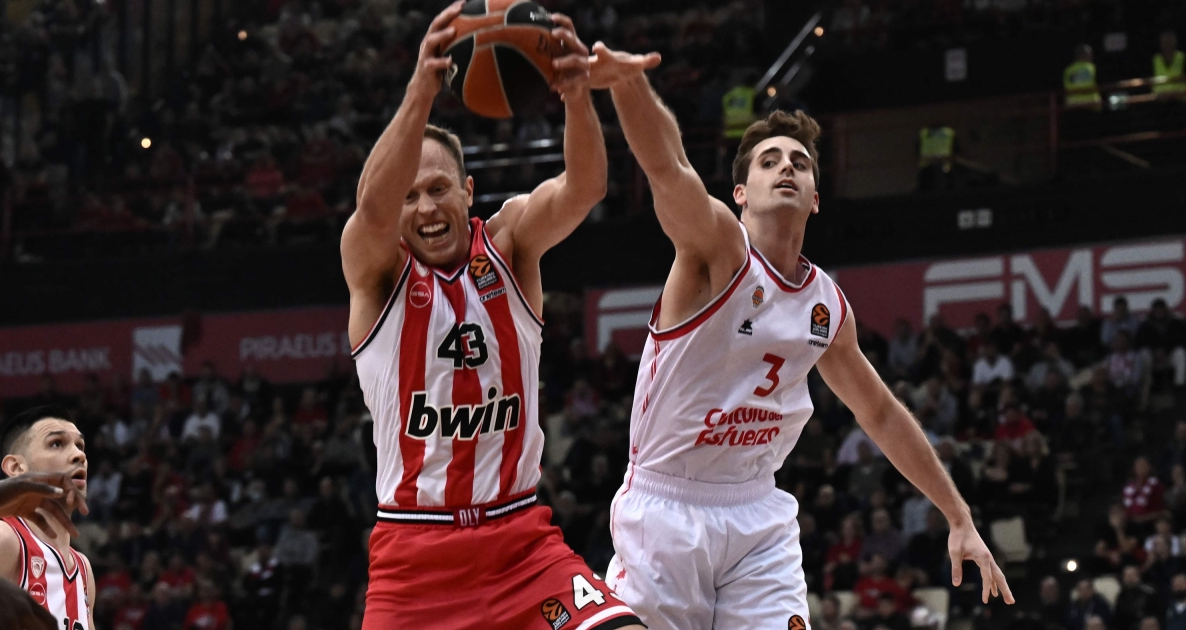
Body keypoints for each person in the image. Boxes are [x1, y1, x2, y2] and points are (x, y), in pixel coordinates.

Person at [589, 43, 1012, 630]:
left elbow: (880, 413)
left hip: (757, 512)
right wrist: (628, 84)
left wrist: (958, 515)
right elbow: (667, 167)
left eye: (799, 162)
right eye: (768, 162)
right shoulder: (717, 250)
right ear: (740, 194)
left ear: (815, 198)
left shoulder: (826, 307)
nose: (786, 167)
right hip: (668, 509)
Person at [339, 4, 640, 629]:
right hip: (415, 561)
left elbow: (585, 187)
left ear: (468, 191)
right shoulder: (377, 274)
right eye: (410, 195)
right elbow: (371, 209)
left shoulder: (510, 244)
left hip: (521, 545)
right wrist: (421, 90)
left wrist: (577, 96)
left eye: (438, 188)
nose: (426, 207)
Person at [0, 406, 96, 630]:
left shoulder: (83, 569)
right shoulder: (2, 538)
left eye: (80, 445)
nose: (79, 455)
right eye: (57, 443)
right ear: (16, 467)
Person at [1064, 44, 1101, 110]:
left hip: (1072, 104)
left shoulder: (1068, 70)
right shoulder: (1091, 67)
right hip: (1090, 103)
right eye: (1089, 53)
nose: (1091, 55)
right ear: (1081, 54)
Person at [1153, 31, 1185, 99]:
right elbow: (1150, 82)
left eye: (1170, 41)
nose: (1167, 44)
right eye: (1165, 41)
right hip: (1160, 99)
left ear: (1175, 42)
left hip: (1180, 99)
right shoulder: (1155, 59)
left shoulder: (1182, 58)